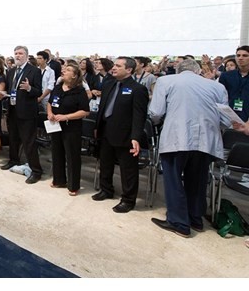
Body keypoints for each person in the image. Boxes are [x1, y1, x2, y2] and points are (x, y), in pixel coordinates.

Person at [148, 59, 228, 236]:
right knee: (198, 180)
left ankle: (178, 222)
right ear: (198, 71)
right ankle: (195, 219)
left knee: (173, 180)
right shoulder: (217, 87)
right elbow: (226, 120)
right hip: (206, 140)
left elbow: (156, 112)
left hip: (177, 137)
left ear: (178, 70)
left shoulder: (165, 81)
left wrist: (158, 121)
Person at [92, 56, 149, 213]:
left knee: (128, 169)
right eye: (114, 65)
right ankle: (106, 190)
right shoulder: (109, 84)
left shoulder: (138, 89)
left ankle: (128, 200)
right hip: (105, 131)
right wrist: (97, 127)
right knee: (105, 163)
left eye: (118, 66)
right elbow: (103, 107)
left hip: (125, 135)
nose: (114, 68)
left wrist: (135, 137)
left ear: (129, 70)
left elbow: (139, 116)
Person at [0, 45, 44, 185]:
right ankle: (13, 161)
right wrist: (1, 93)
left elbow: (38, 91)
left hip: (27, 112)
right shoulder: (11, 71)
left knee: (29, 142)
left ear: (26, 55)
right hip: (12, 110)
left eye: (20, 53)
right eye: (16, 53)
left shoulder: (34, 71)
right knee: (13, 138)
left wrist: (29, 88)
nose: (17, 56)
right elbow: (9, 90)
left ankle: (36, 171)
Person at [47, 63, 90, 196]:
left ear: (74, 76)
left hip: (71, 128)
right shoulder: (58, 88)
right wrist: (50, 113)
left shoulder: (80, 91)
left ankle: (73, 185)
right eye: (64, 69)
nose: (64, 71)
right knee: (56, 153)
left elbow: (85, 111)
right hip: (55, 126)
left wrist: (66, 116)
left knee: (72, 156)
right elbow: (50, 103)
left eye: (68, 70)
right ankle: (59, 180)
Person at [218, 45, 249, 122]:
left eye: (245, 55)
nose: (240, 58)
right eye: (238, 55)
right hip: (230, 117)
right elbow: (221, 96)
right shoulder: (226, 76)